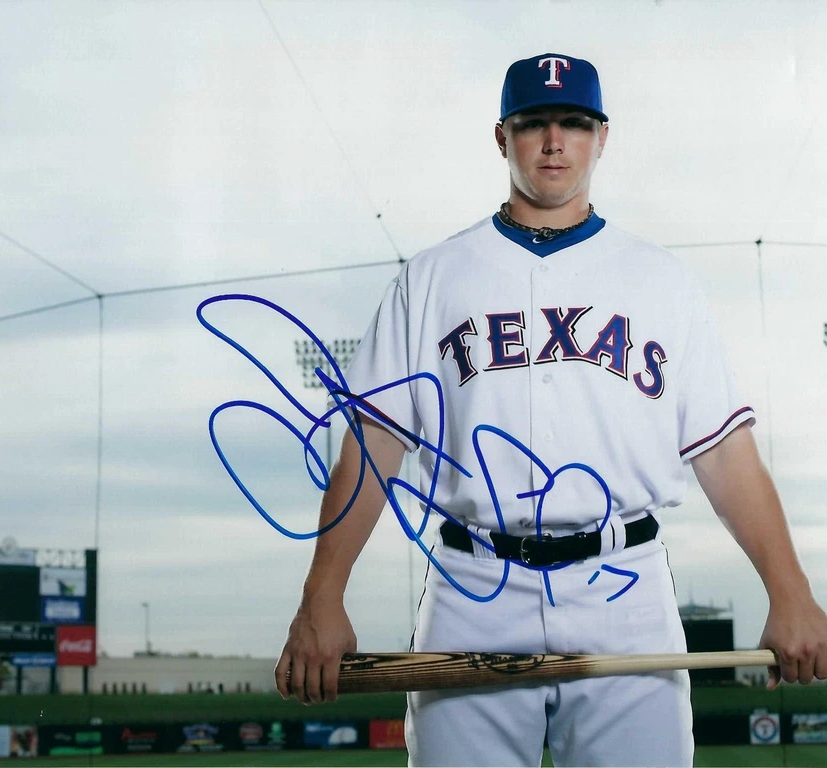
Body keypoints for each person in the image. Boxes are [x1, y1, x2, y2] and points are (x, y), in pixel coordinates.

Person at [273, 52, 827, 767]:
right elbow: (374, 443)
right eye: (535, 123)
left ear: (602, 137)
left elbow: (724, 452)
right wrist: (323, 595)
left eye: (574, 122)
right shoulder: (434, 277)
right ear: (503, 137)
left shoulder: (662, 281)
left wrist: (790, 591)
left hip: (624, 591)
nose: (555, 140)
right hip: (474, 588)